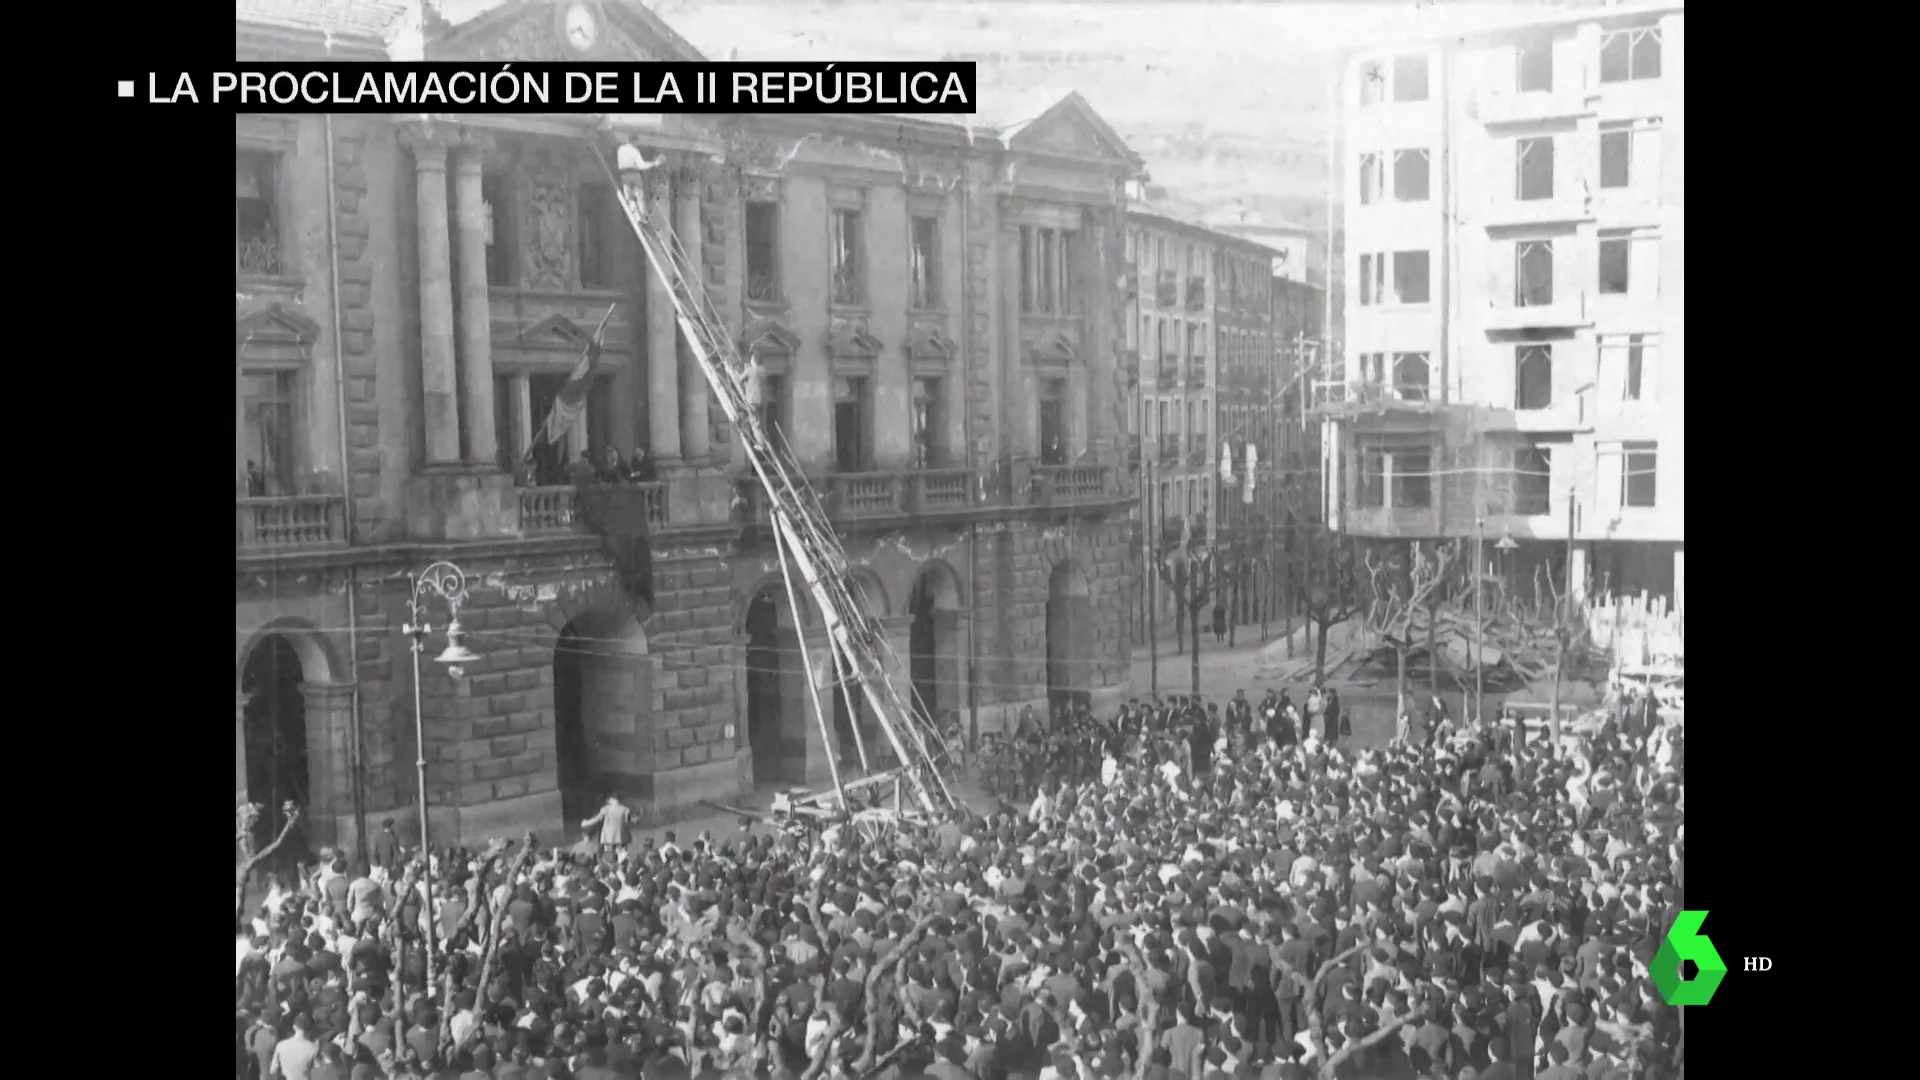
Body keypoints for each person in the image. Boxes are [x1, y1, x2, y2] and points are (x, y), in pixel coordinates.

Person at [580, 795, 634, 859]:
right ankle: (621, 867)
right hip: (622, 837)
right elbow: (630, 821)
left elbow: (597, 818)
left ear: (611, 799)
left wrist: (586, 823)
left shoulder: (606, 809)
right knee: (622, 855)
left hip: (609, 837)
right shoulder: (626, 809)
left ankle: (611, 867)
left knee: (610, 855)